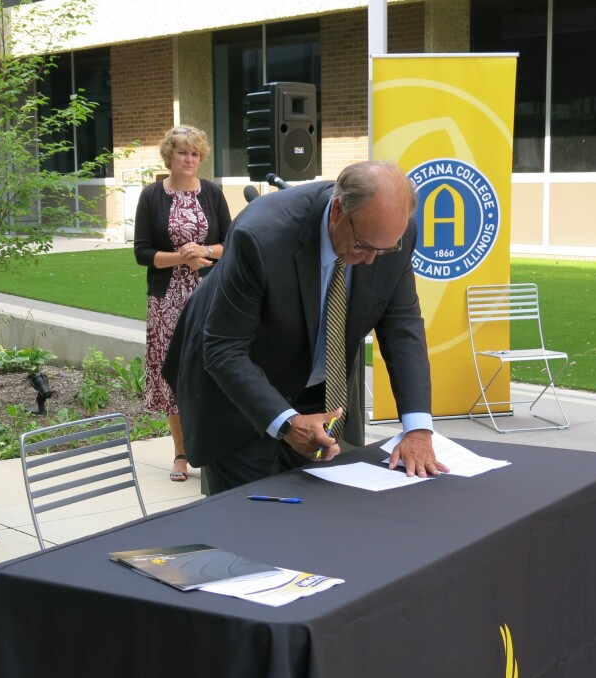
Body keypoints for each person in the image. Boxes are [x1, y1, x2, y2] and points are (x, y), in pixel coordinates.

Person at [162, 159, 449, 495]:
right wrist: (287, 422)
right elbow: (223, 348)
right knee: (254, 520)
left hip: (313, 391)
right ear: (338, 211)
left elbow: (402, 327)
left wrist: (417, 429)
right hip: (240, 397)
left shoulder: (393, 235)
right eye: (363, 246)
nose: (373, 259)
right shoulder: (261, 236)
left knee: (318, 515)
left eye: (384, 249)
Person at [134, 125, 231, 482]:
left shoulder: (213, 193)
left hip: (210, 296)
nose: (189, 159)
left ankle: (212, 446)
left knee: (212, 369)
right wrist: (181, 258)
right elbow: (142, 253)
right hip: (167, 300)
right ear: (169, 156)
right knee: (173, 372)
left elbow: (231, 242)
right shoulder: (151, 196)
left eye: (195, 153)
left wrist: (204, 251)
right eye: (182, 153)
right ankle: (181, 452)